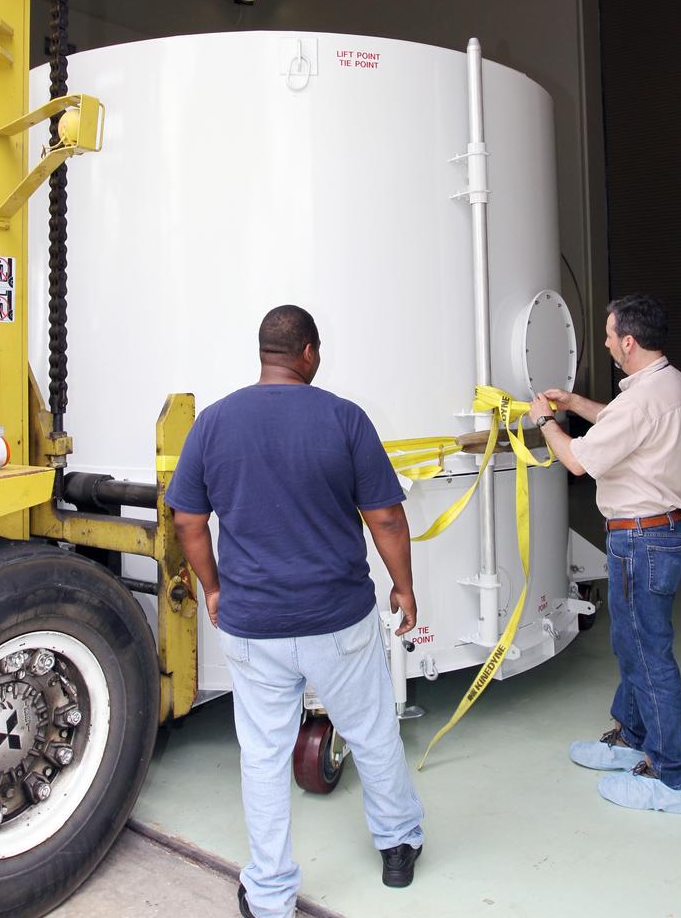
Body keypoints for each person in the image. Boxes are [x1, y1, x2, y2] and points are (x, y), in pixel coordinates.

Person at [166, 305, 424, 918]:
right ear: (307, 352)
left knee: (262, 755)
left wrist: (214, 588)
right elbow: (384, 515)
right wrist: (404, 588)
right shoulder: (344, 418)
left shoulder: (213, 423)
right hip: (338, 617)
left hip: (254, 624)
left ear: (264, 353)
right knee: (371, 732)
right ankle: (397, 846)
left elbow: (188, 520)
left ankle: (270, 894)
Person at [528, 293, 681, 815]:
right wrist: (578, 405)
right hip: (659, 534)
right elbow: (626, 422)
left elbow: (579, 461)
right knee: (633, 644)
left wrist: (546, 421)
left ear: (628, 341)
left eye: (607, 335)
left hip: (643, 540)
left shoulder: (645, 398)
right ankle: (631, 737)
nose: (604, 343)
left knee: (647, 653)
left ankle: (671, 779)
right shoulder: (671, 385)